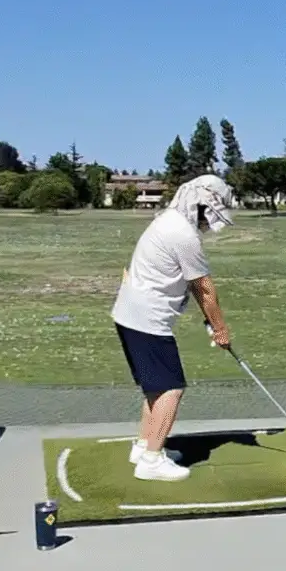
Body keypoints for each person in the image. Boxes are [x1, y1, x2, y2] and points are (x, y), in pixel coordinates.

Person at [110, 174, 235, 482]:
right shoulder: (184, 235)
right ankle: (151, 461)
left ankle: (144, 446)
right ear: (203, 205)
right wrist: (220, 329)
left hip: (129, 314)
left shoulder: (168, 220)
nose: (209, 222)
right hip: (147, 320)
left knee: (156, 385)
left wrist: (211, 321)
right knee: (171, 388)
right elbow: (204, 288)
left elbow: (192, 285)